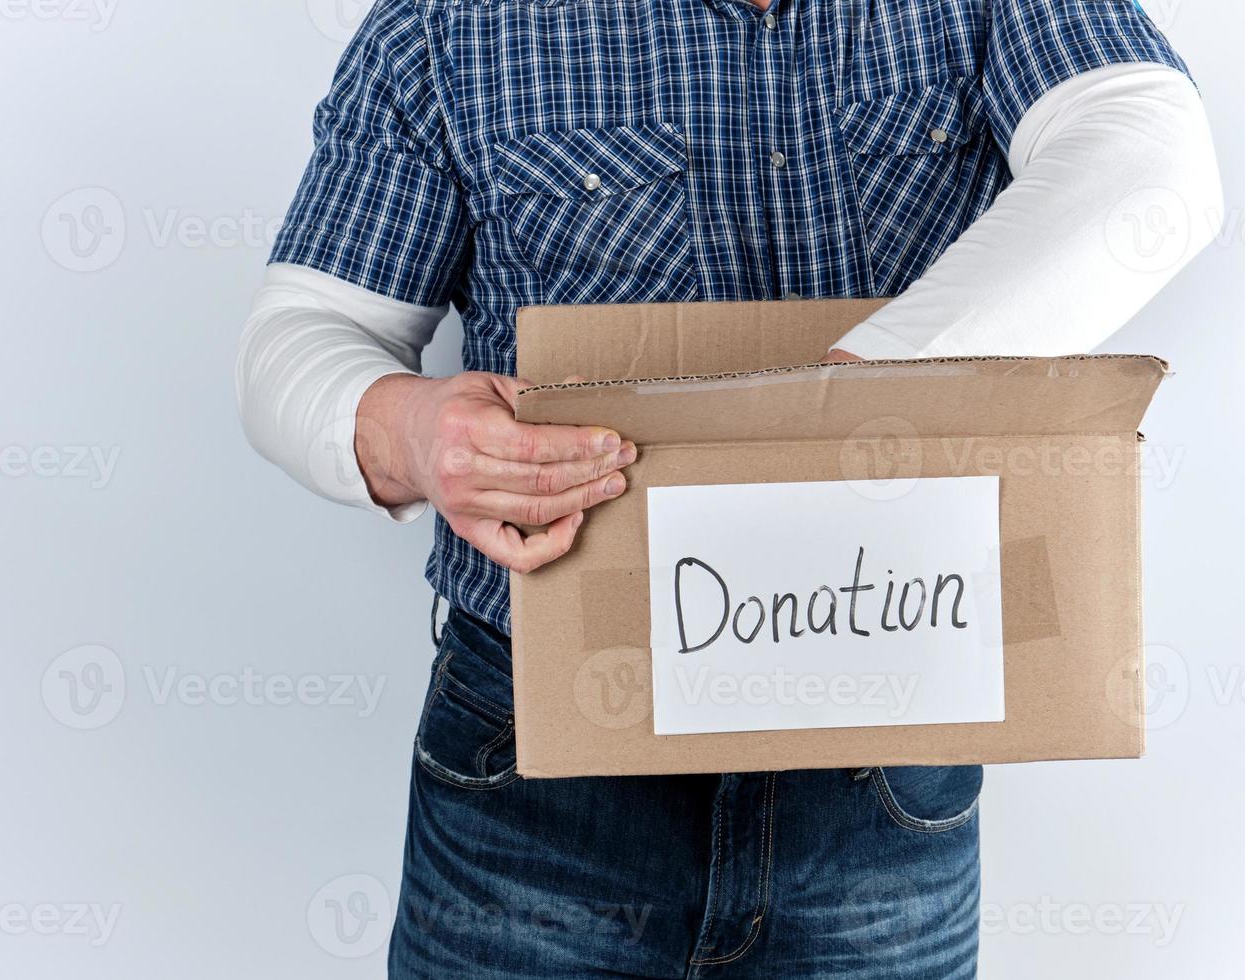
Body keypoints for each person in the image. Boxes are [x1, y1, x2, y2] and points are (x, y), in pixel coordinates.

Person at [237, 0, 1220, 975]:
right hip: (543, 762)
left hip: (883, 746)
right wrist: (409, 428)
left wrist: (861, 395)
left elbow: (1150, 163)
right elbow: (302, 335)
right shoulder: (447, 23)